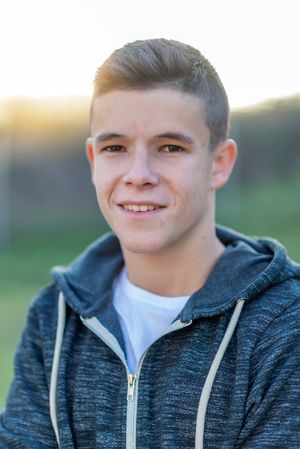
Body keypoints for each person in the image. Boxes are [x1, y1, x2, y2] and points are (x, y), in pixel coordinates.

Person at [0, 38, 300, 449]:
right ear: (93, 161)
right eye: (116, 148)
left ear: (220, 163)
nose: (138, 174)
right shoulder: (54, 318)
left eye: (170, 147)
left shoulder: (285, 323)